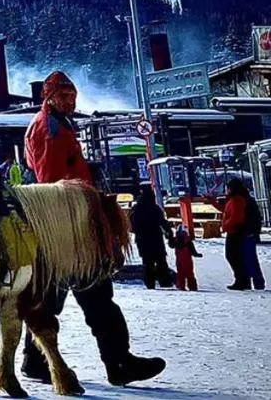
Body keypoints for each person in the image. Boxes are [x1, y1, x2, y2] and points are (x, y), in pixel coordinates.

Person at [20, 70, 165, 387]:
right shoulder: (49, 129)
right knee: (94, 297)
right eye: (64, 96)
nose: (70, 101)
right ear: (50, 97)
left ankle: (37, 361)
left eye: (72, 95)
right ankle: (118, 362)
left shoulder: (55, 124)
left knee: (53, 299)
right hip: (69, 230)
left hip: (62, 230)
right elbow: (54, 185)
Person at [131, 184, 174, 289]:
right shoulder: (155, 208)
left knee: (147, 262)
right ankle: (165, 282)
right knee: (161, 260)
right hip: (156, 237)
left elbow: (132, 225)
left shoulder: (136, 209)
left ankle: (150, 283)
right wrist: (169, 233)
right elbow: (162, 222)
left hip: (142, 239)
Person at [222, 178, 253, 290]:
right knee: (234, 256)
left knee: (233, 256)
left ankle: (242, 280)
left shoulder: (237, 199)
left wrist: (227, 225)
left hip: (235, 230)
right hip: (234, 230)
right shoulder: (234, 198)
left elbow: (236, 216)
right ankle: (242, 280)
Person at [243, 189, 265, 291]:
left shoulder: (244, 202)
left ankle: (255, 282)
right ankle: (257, 282)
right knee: (251, 259)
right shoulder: (249, 201)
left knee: (249, 259)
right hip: (250, 233)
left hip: (247, 233)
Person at [172, 224, 202, 291]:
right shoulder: (187, 242)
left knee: (182, 274)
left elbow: (171, 245)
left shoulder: (177, 241)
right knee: (188, 274)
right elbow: (193, 251)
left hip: (181, 261)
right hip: (186, 261)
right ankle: (191, 287)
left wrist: (197, 254)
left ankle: (182, 286)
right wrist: (197, 254)